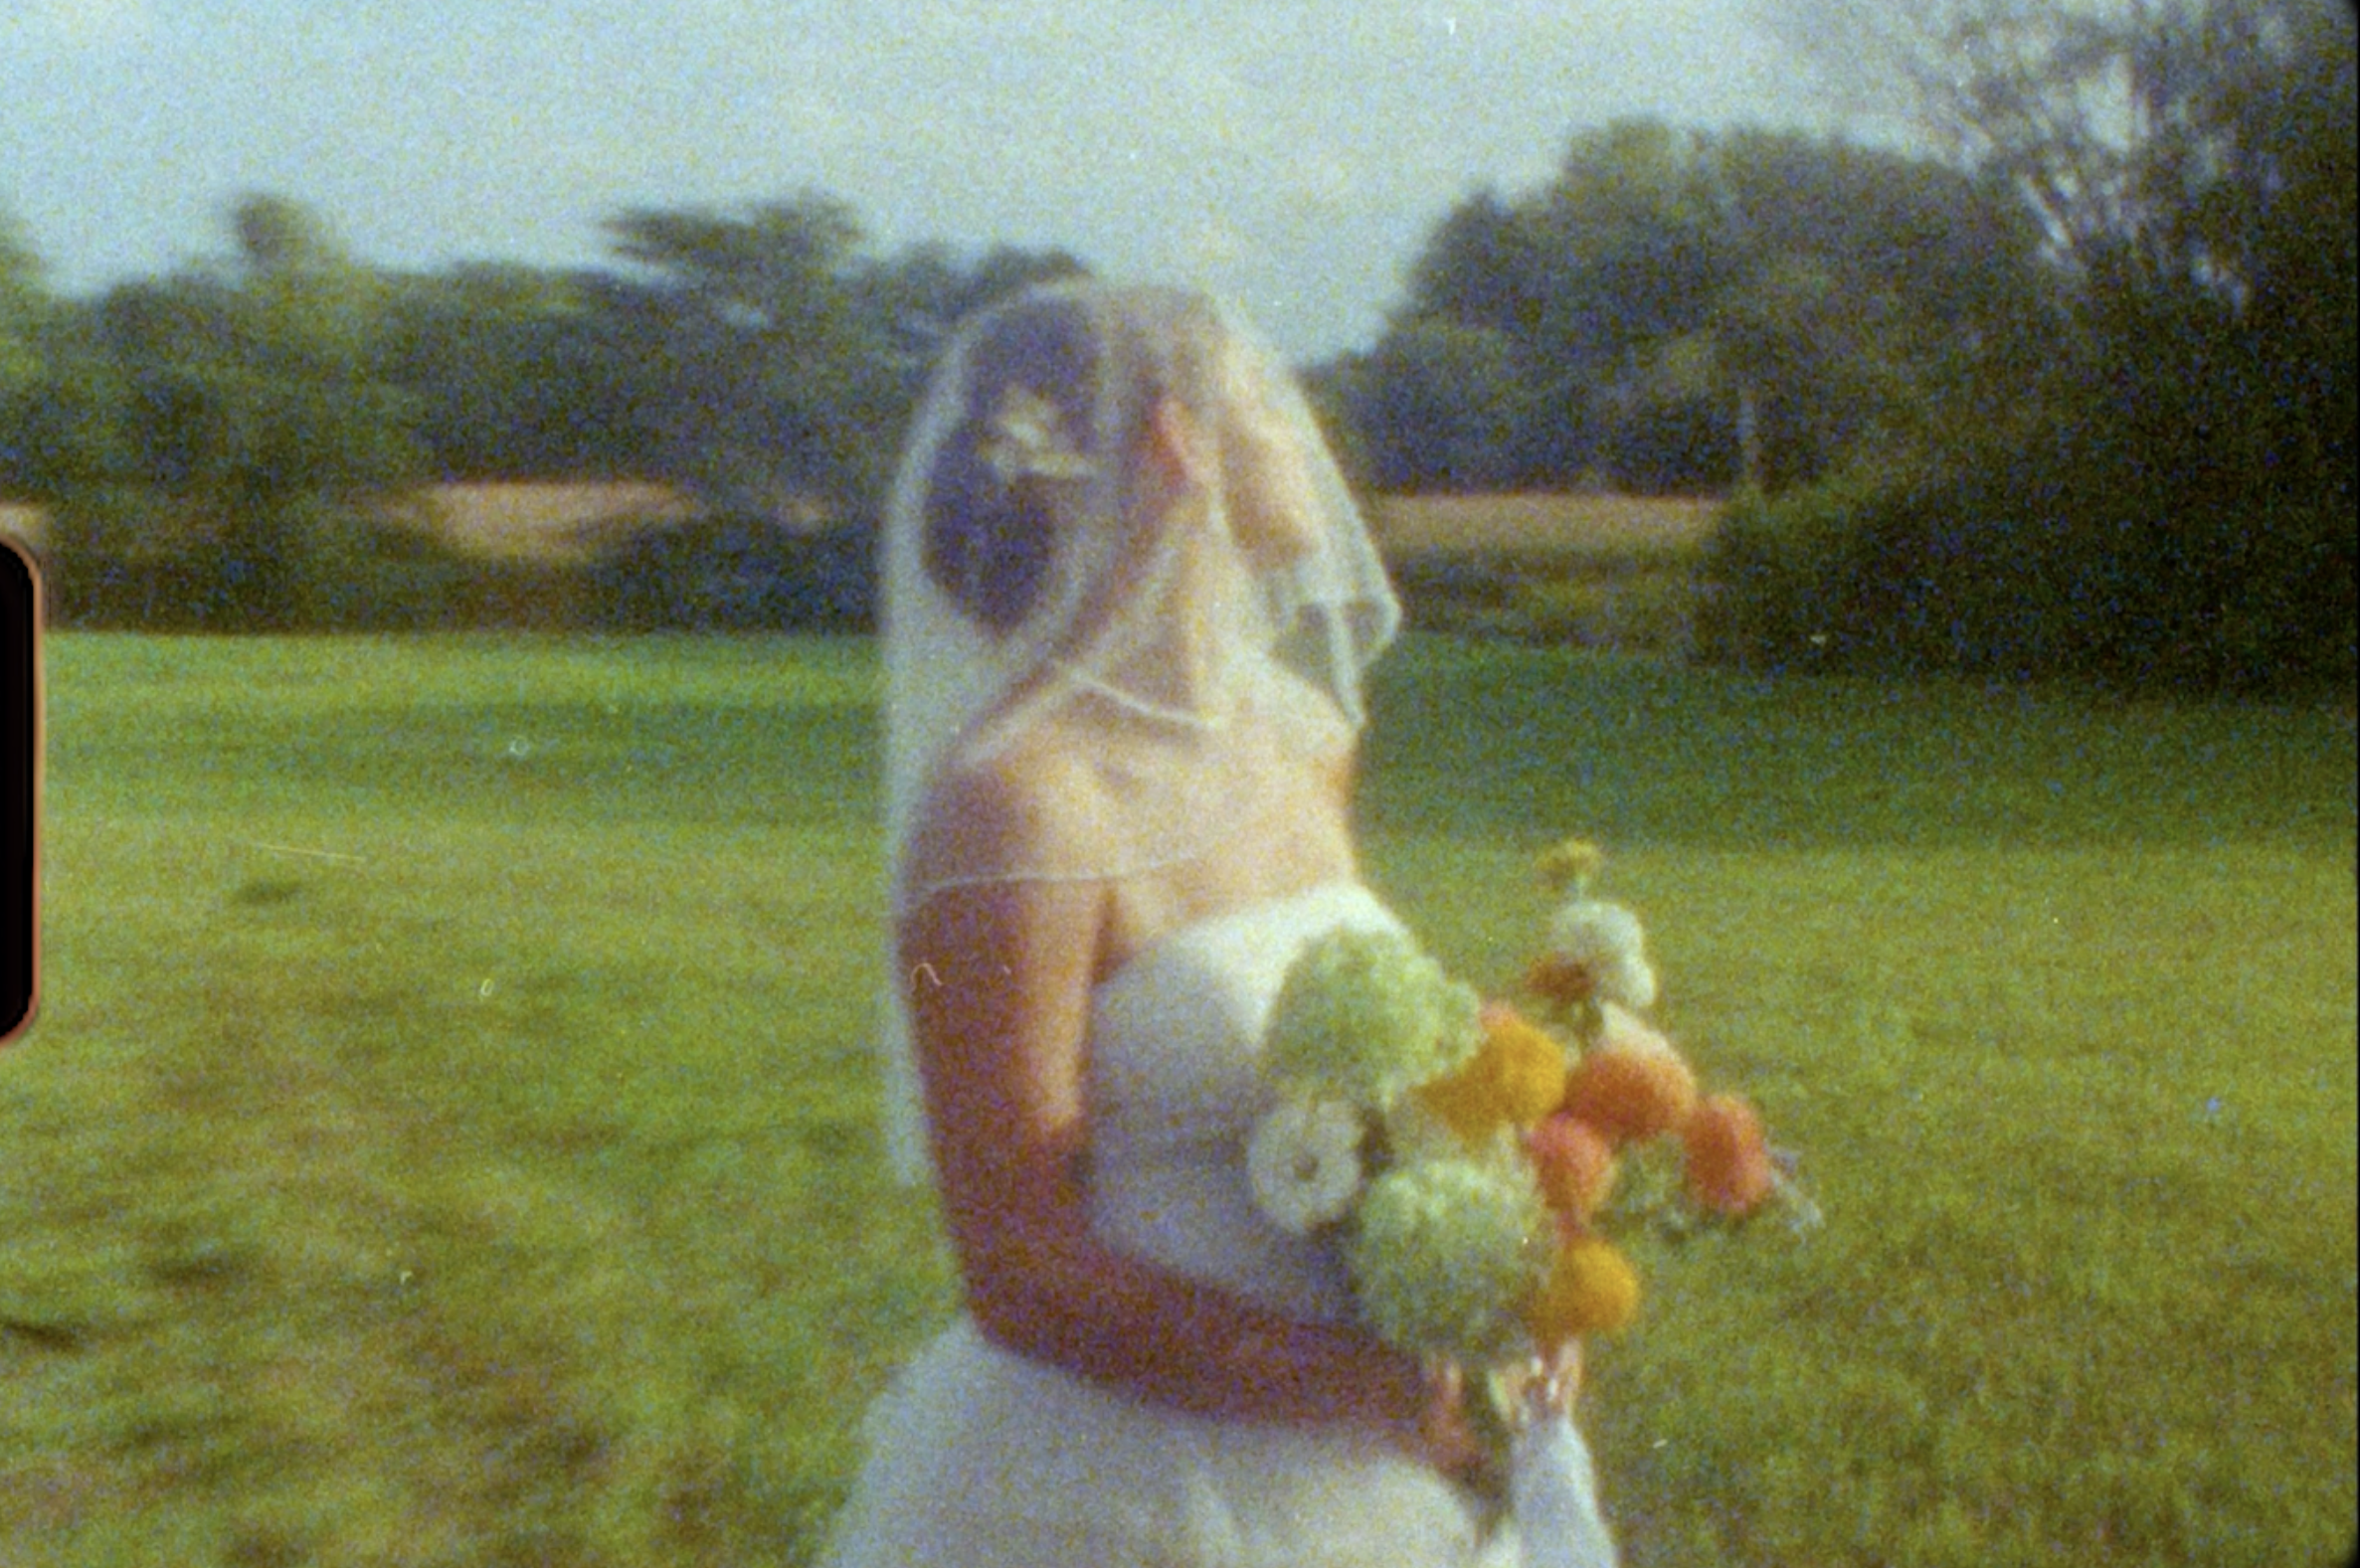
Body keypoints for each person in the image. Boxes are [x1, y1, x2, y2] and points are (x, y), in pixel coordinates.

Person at [820, 279, 1603, 1567]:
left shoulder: (1301, 743)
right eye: (1272, 406)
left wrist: (1513, 1265)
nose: (1309, 444)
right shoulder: (1016, 807)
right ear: (1177, 444)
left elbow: (1380, 1092)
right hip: (1132, 1482)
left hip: (1382, 1442)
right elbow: (1018, 1268)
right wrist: (1356, 1391)